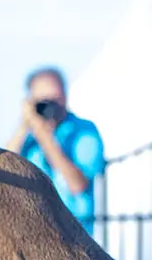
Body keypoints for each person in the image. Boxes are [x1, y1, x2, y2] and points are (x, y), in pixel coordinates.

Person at [7, 66, 106, 234]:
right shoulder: (28, 138)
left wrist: (46, 139)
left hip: (75, 236)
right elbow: (4, 167)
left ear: (65, 97)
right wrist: (24, 126)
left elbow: (78, 185)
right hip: (33, 233)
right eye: (43, 101)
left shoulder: (84, 132)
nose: (50, 106)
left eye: (55, 98)